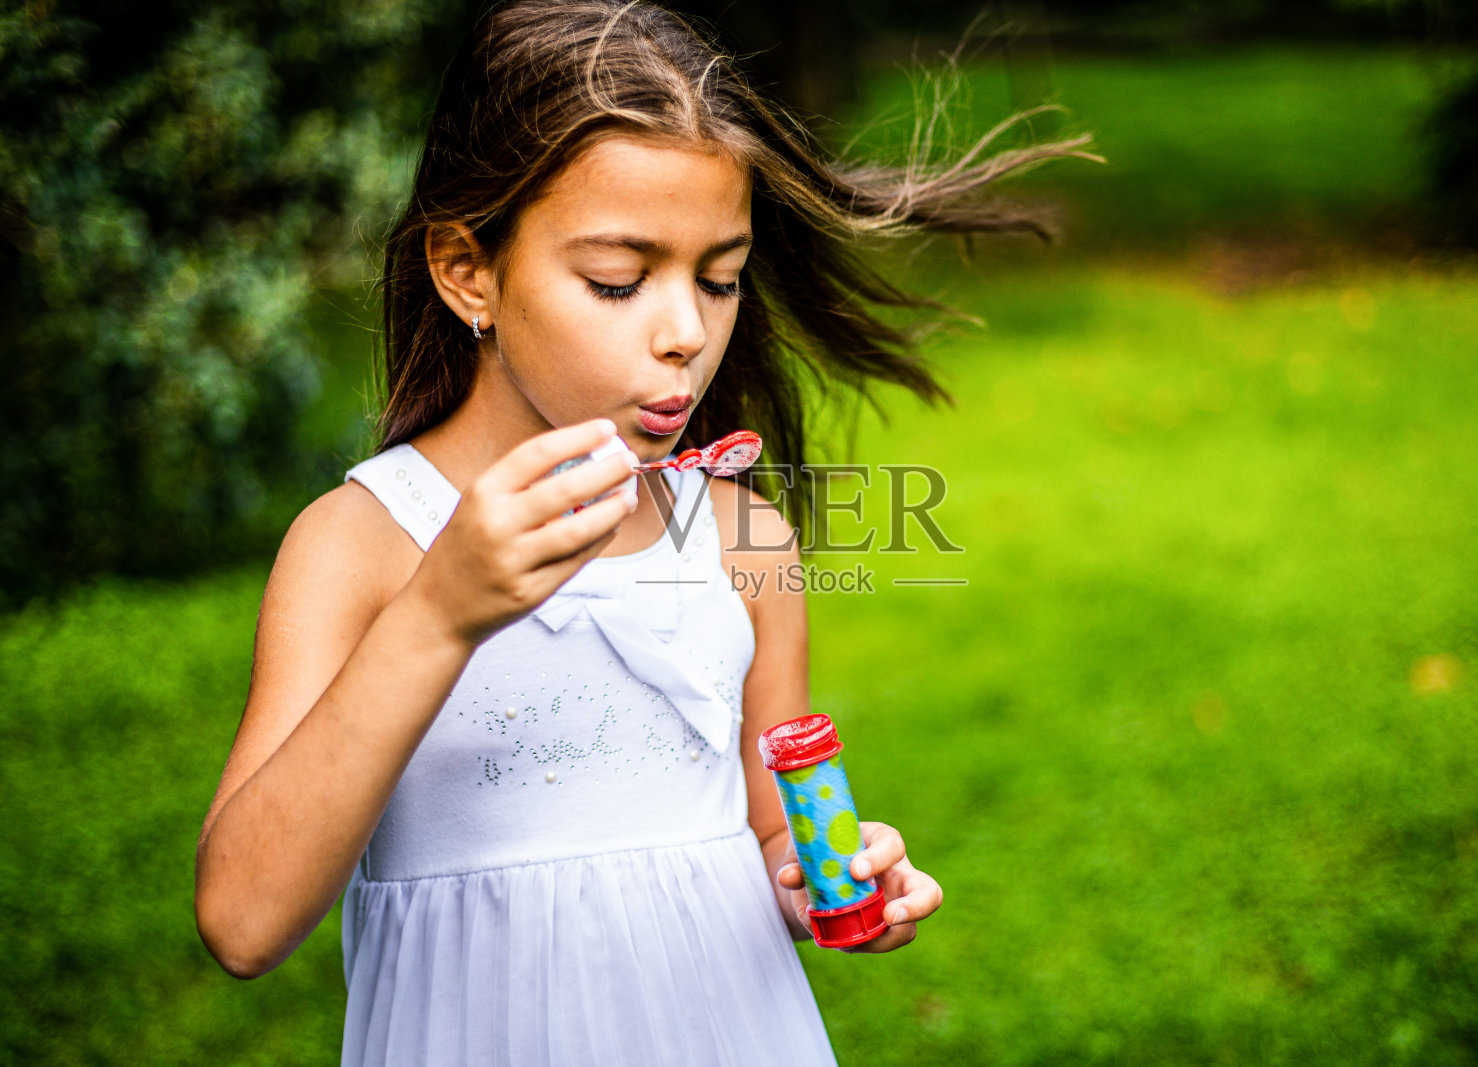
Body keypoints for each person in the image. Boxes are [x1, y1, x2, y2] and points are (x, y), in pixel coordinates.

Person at [194, 1, 1094, 1063]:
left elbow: (776, 827)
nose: (686, 335)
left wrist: (832, 881)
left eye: (720, 278)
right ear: (467, 271)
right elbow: (244, 921)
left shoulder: (741, 535)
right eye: (618, 282)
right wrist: (440, 611)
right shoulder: (362, 543)